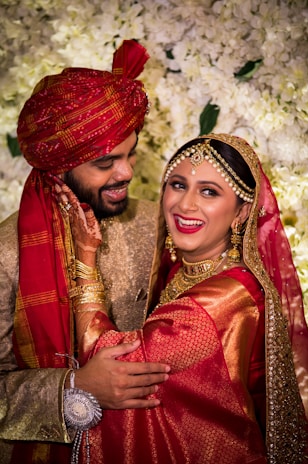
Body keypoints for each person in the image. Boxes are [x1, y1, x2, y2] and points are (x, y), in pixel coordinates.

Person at [56, 133, 308, 463]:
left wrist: (86, 260)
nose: (185, 204)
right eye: (177, 185)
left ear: (243, 213)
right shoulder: (183, 269)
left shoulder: (222, 300)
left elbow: (117, 370)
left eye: (209, 191)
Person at [0, 40, 170, 464]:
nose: (127, 171)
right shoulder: (5, 254)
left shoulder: (155, 223)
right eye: (106, 162)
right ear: (59, 166)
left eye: (130, 154)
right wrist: (75, 387)